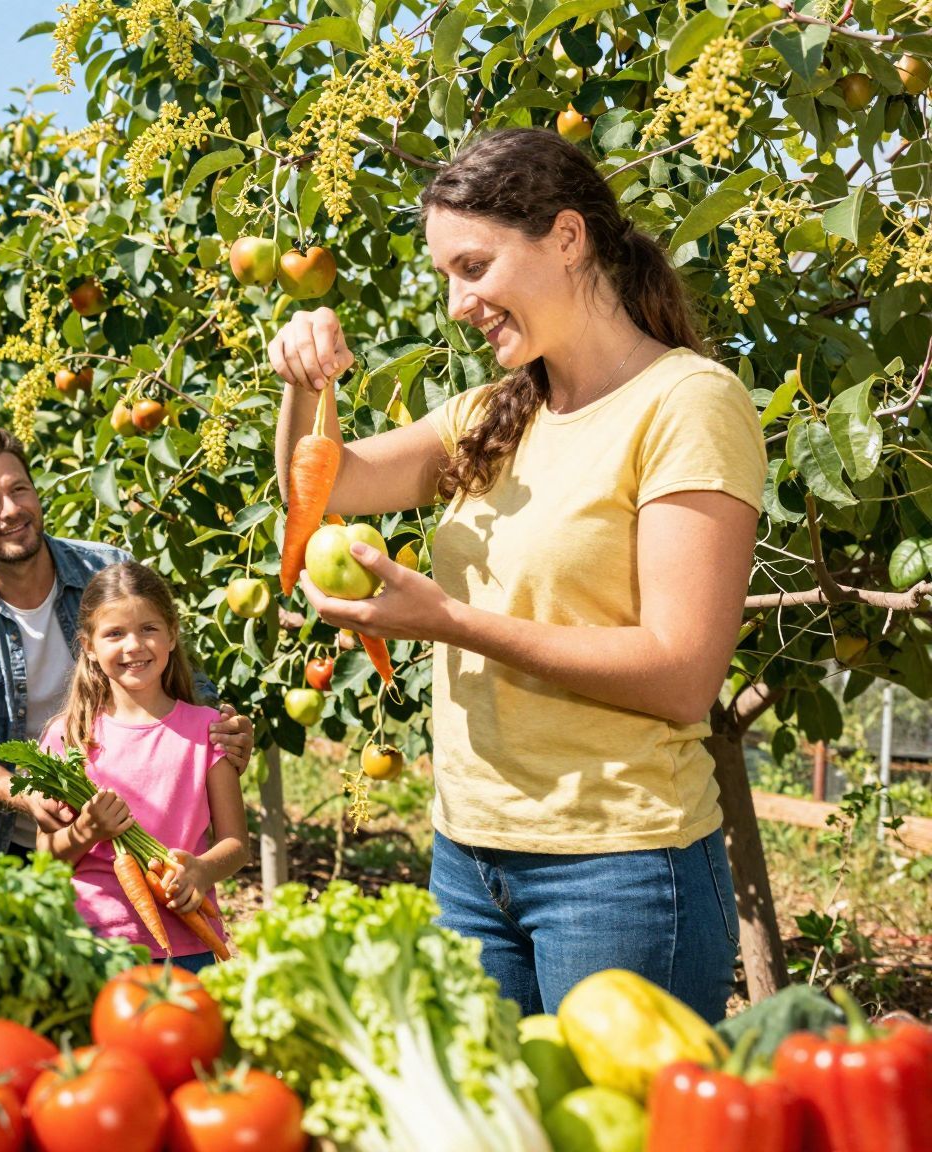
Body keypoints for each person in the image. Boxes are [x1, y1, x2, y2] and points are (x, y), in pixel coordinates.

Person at [268, 129, 763, 1022]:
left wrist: (450, 622)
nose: (458, 303)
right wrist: (303, 379)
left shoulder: (687, 404)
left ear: (567, 237)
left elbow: (684, 675)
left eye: (473, 266)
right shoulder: (492, 414)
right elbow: (325, 484)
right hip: (470, 856)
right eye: (446, 277)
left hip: (620, 870)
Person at [0, 427, 257, 858]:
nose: (11, 510)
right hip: (10, 843)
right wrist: (27, 792)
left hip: (144, 836)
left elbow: (181, 675)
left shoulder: (109, 571)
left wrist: (220, 729)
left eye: (20, 490)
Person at [38, 563, 249, 973]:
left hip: (191, 944)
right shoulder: (69, 737)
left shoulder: (208, 731)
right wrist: (87, 831)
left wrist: (202, 872)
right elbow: (48, 854)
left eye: (148, 629)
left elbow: (236, 844)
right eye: (115, 634)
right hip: (92, 941)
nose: (134, 645)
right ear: (89, 646)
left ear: (172, 634)